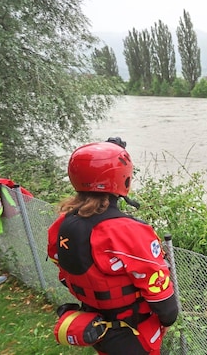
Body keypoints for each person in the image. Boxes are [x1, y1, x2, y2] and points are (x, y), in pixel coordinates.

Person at [47, 138, 178, 354]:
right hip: (134, 332)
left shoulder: (61, 224)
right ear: (123, 179)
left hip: (96, 325)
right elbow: (161, 295)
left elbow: (62, 266)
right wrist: (168, 315)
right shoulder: (127, 231)